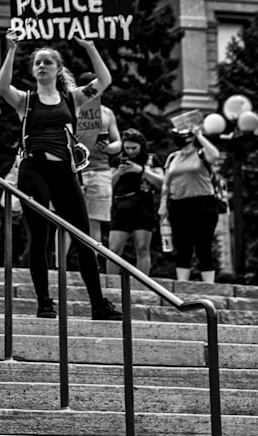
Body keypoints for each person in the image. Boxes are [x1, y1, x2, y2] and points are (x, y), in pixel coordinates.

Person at [0, 29, 122, 321]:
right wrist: (11, 49)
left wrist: (90, 47)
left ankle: (98, 304)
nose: (41, 66)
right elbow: (3, 86)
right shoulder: (24, 101)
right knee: (39, 238)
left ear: (57, 68)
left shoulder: (72, 98)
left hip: (64, 172)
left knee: (83, 236)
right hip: (34, 171)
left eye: (47, 63)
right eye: (37, 63)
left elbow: (104, 82)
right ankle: (44, 302)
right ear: (33, 70)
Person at [63, 71, 121, 266]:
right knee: (66, 220)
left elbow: (117, 143)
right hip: (75, 169)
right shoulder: (69, 109)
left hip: (100, 169)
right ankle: (58, 264)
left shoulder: (106, 113)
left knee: (94, 221)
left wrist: (109, 148)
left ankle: (91, 263)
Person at [158, 125, 222, 283]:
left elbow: (215, 156)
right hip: (179, 204)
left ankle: (209, 285)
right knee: (182, 245)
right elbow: (166, 183)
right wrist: (163, 204)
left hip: (203, 203)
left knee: (203, 246)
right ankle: (182, 284)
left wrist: (199, 135)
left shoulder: (201, 153)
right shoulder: (173, 157)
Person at [107, 128, 164, 275]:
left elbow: (162, 183)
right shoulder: (118, 160)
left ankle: (142, 284)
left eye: (134, 148)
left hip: (143, 206)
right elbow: (108, 186)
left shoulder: (151, 160)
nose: (130, 152)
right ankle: (110, 284)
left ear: (141, 146)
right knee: (113, 249)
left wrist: (141, 170)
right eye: (127, 148)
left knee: (143, 248)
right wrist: (119, 173)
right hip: (120, 206)